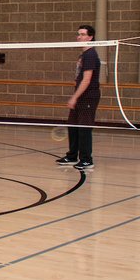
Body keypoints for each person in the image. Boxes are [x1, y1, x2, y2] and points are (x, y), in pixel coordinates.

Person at [56, 24, 101, 170]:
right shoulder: (83, 55)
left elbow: (87, 80)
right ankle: (72, 156)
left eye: (82, 34)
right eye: (78, 34)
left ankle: (87, 160)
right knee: (73, 126)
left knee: (84, 128)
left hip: (88, 97)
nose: (79, 37)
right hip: (80, 96)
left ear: (90, 37)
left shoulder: (90, 55)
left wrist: (74, 97)